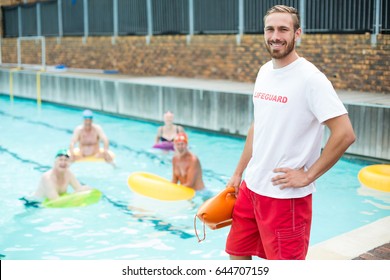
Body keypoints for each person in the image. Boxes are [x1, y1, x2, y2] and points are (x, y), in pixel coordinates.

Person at [225, 5, 356, 260]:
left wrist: (307, 176)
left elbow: (345, 134)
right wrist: (238, 173)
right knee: (237, 257)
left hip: (285, 199)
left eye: (283, 29)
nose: (276, 36)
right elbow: (258, 126)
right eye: (270, 29)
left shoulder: (311, 79)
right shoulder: (264, 71)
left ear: (297, 34)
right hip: (251, 188)